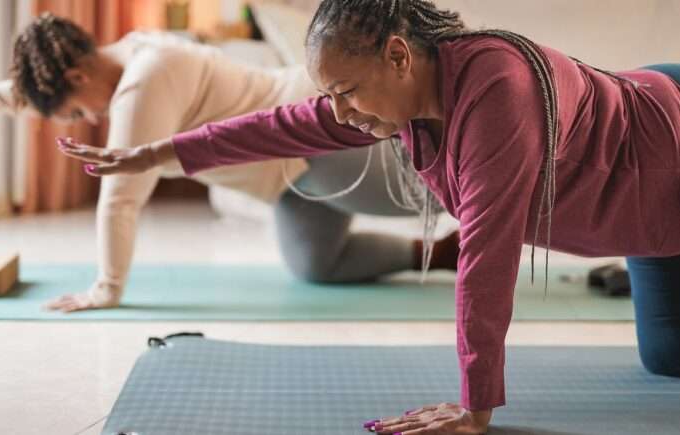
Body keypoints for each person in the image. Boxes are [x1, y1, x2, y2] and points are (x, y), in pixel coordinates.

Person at [58, 0, 680, 433]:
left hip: (666, 152)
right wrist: (154, 153)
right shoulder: (401, 97)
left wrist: (476, 407)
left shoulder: (498, 92)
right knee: (667, 362)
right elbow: (282, 125)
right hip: (636, 201)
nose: (339, 110)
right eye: (331, 93)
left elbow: (486, 259)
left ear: (399, 56)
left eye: (346, 92)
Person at [0, 13, 461, 313]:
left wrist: (106, 288)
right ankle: (438, 253)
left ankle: (500, 190)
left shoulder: (144, 80)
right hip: (286, 184)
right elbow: (15, 94)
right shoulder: (127, 52)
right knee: (318, 263)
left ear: (78, 75)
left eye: (78, 110)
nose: (89, 118)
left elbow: (120, 198)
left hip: (312, 141)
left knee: (442, 192)